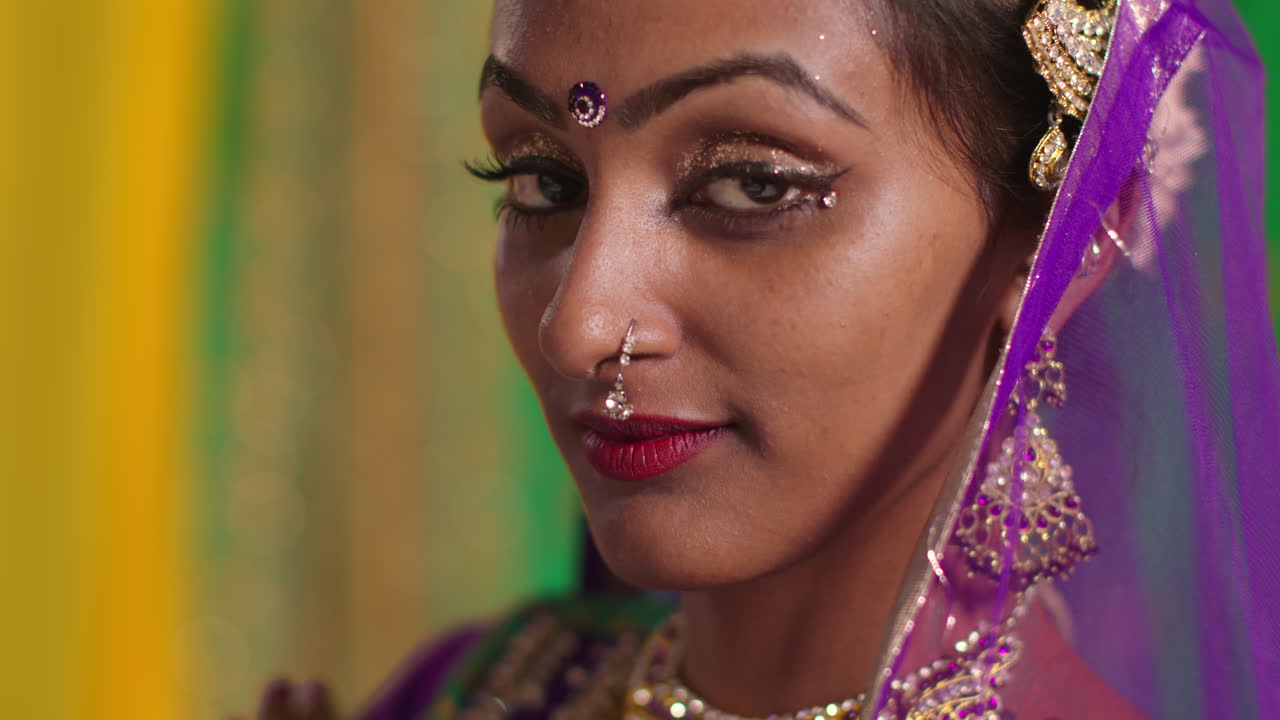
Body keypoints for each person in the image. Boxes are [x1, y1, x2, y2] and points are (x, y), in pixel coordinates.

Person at [249, 0, 1279, 718]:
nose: (577, 323)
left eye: (750, 186)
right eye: (541, 180)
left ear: (1064, 235)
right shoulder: (474, 695)